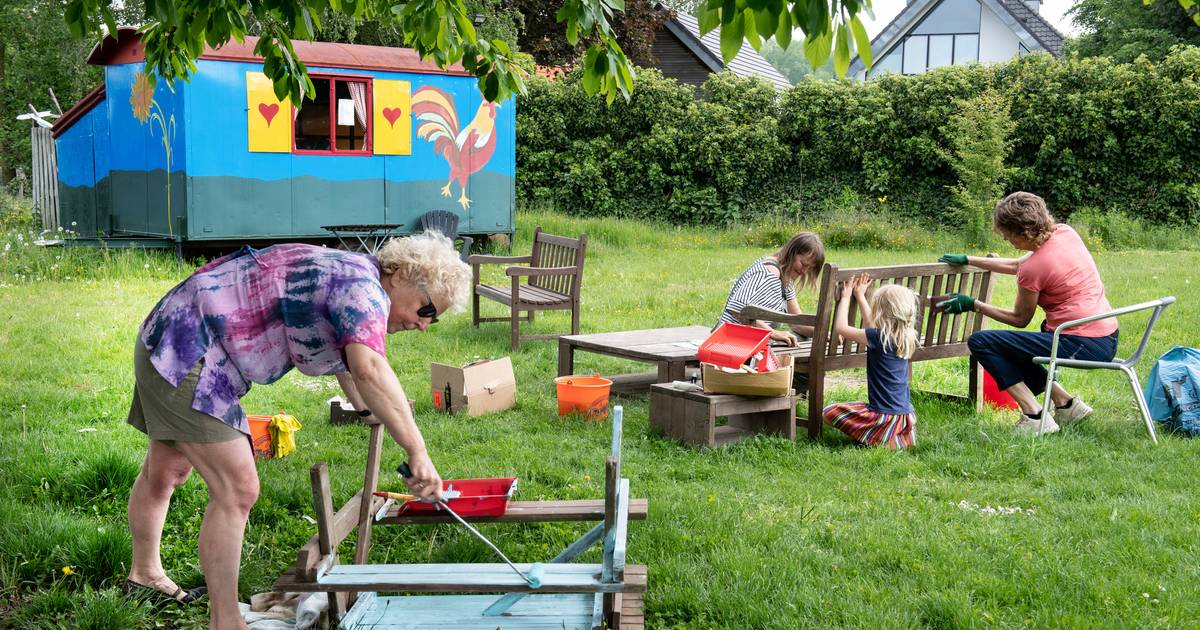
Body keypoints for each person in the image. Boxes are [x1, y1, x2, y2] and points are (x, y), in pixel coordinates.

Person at [122, 233, 470, 629]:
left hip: (173, 331)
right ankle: (226, 621)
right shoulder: (364, 291)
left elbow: (348, 361)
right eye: (426, 309)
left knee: (166, 470)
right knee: (238, 489)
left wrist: (365, 409)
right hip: (188, 348)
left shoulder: (351, 275)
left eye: (433, 318)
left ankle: (144, 575)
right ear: (403, 275)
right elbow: (369, 368)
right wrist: (417, 451)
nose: (424, 324)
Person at [937, 191, 1117, 436]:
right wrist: (970, 259)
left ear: (1025, 232)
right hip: (1106, 336)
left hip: (1080, 343)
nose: (1007, 241)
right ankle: (1066, 404)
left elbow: (1019, 319)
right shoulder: (1065, 233)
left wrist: (974, 304)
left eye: (1009, 236)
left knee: (982, 342)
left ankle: (1035, 415)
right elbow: (1018, 264)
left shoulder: (1034, 268)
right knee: (1012, 345)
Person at [822, 274, 920, 449]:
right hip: (904, 416)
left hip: (882, 416)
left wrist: (845, 298)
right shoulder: (905, 336)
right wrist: (860, 295)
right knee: (863, 409)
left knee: (828, 412)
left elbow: (841, 328)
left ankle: (878, 436)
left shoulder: (878, 337)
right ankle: (894, 438)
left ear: (881, 311)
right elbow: (871, 326)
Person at [718, 232, 825, 346]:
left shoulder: (786, 277)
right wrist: (773, 333)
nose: (804, 271)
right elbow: (736, 307)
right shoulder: (768, 272)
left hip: (753, 340)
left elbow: (797, 323)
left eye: (809, 268)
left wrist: (823, 334)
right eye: (803, 264)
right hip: (731, 340)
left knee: (805, 340)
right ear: (792, 252)